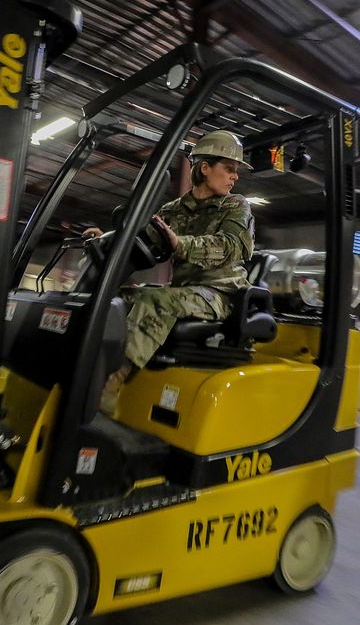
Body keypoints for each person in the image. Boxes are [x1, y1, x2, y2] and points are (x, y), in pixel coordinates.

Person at [99, 130, 256, 413]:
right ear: (205, 168)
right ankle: (97, 361)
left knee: (154, 301)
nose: (235, 177)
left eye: (236, 171)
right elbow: (142, 239)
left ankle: (114, 379)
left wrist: (179, 244)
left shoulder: (236, 206)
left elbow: (231, 247)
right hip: (186, 292)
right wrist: (106, 241)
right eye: (229, 169)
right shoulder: (173, 210)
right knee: (121, 298)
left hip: (219, 295)